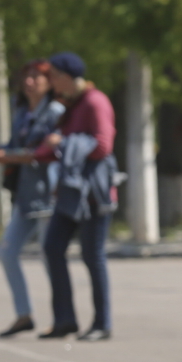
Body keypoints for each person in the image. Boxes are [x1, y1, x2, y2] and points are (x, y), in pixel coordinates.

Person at [0, 61, 66, 336]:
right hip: (25, 196)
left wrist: (8, 156)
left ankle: (63, 317)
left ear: (49, 82)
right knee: (7, 251)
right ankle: (24, 315)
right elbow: (16, 146)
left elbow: (46, 152)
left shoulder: (56, 112)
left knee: (50, 257)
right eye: (26, 77)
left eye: (36, 77)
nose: (30, 82)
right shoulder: (22, 113)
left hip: (48, 194)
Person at [32, 52, 117, 341]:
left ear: (67, 77)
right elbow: (50, 148)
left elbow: (103, 146)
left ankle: (102, 324)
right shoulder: (70, 105)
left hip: (92, 192)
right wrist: (23, 155)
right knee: (53, 247)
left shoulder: (95, 101)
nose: (50, 81)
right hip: (70, 193)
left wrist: (64, 142)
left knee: (93, 256)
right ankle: (65, 320)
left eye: (53, 75)